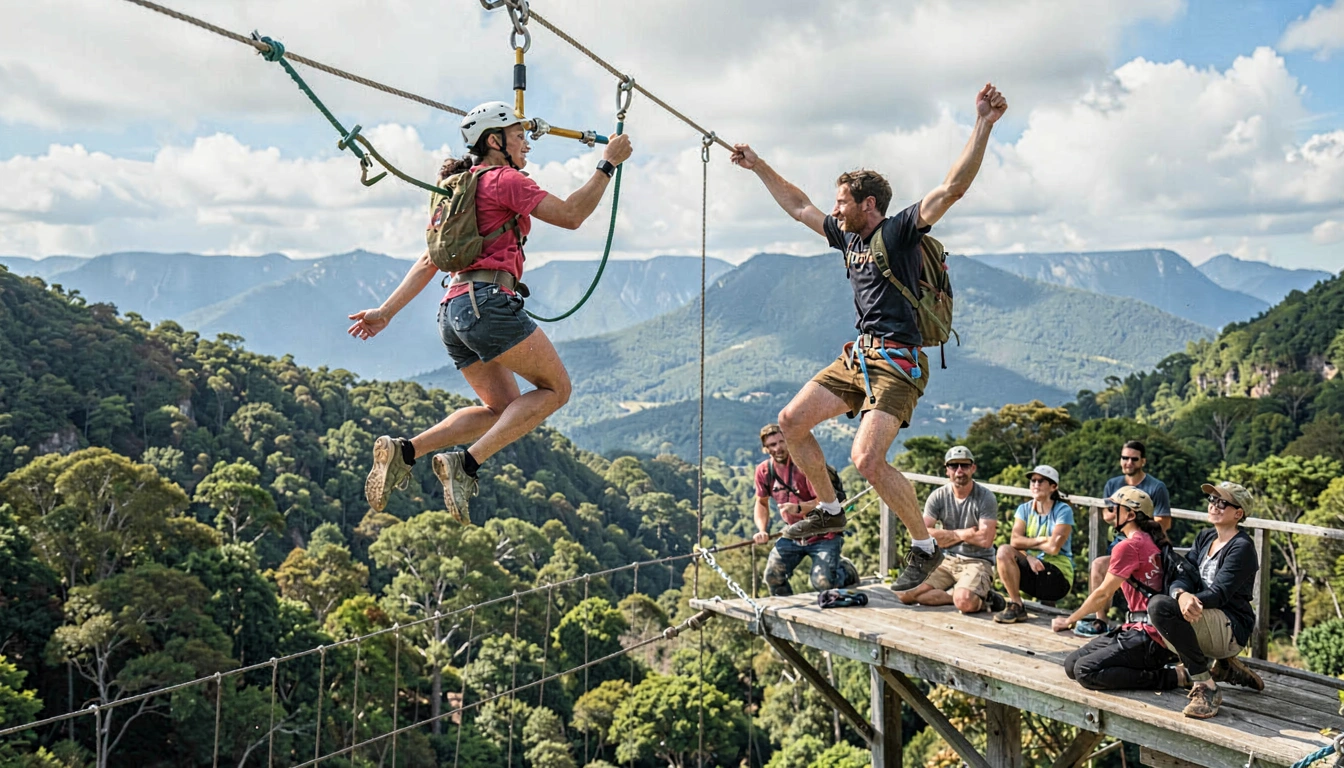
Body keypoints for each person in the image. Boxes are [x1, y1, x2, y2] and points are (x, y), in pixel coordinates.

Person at [730, 83, 1008, 592]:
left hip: (898, 363)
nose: (834, 210)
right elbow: (798, 206)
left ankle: (923, 546)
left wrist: (983, 124)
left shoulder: (899, 232)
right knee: (791, 421)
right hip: (860, 355)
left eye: (842, 202)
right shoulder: (848, 236)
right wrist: (758, 165)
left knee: (866, 459)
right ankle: (831, 512)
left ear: (869, 203)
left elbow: (951, 189)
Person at [349, 101, 633, 522]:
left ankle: (406, 449)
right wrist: (607, 164)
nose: (526, 145)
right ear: (495, 141)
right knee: (557, 391)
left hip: (452, 312)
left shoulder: (458, 190)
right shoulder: (505, 180)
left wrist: (386, 313)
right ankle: (467, 463)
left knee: (501, 409)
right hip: (488, 307)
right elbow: (572, 215)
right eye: (518, 136)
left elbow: (431, 261)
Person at [1147, 480, 1264, 718]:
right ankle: (1224, 665)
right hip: (1206, 617)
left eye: (1223, 503)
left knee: (1160, 607)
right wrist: (1181, 594)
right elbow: (1184, 573)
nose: (1214, 506)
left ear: (1238, 513)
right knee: (1163, 604)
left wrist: (1186, 599)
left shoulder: (1242, 547)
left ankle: (1206, 686)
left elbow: (1219, 594)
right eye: (1212, 500)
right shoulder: (1205, 537)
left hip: (1231, 627)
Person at [1054, 488, 1175, 696]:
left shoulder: (1129, 546)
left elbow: (1103, 594)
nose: (1109, 513)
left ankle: (1171, 677)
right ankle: (1148, 668)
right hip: (1141, 630)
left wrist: (1069, 620)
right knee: (1071, 664)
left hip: (1148, 637)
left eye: (1114, 508)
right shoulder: (1151, 540)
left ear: (1129, 515)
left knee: (1084, 670)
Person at [1075, 440, 1173, 636]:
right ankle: (1100, 620)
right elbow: (1106, 515)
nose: (1128, 462)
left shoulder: (1156, 487)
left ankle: (1149, 625)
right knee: (1098, 566)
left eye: (1134, 459)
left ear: (1143, 461)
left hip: (1146, 547)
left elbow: (1164, 522)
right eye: (1124, 458)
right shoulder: (1113, 484)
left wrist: (1131, 523)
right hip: (1119, 545)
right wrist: (1134, 516)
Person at [895, 446, 1004, 614]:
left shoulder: (985, 497)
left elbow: (985, 540)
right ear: (947, 470)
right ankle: (958, 594)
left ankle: (976, 599)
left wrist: (943, 536)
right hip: (945, 560)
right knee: (903, 593)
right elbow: (920, 533)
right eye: (954, 466)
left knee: (965, 602)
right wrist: (962, 534)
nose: (959, 470)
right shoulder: (938, 496)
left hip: (977, 561)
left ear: (973, 468)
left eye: (964, 465)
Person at [752, 425, 857, 595]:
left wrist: (799, 508)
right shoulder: (764, 471)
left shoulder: (804, 466)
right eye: (772, 445)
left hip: (825, 534)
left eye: (781, 442)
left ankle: (845, 571)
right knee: (773, 577)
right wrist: (762, 530)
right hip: (794, 534)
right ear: (765, 449)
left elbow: (825, 500)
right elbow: (761, 502)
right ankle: (786, 610)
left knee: (822, 583)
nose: (778, 448)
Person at [993, 465, 1074, 623]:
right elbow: (1015, 541)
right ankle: (1017, 604)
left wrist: (1027, 544)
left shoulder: (1063, 510)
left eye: (1040, 481)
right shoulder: (1024, 509)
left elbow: (1054, 548)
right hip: (1033, 566)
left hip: (1058, 574)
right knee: (1003, 552)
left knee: (1010, 552)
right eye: (1033, 481)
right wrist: (1038, 545)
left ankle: (1046, 604)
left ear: (1053, 486)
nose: (1035, 484)